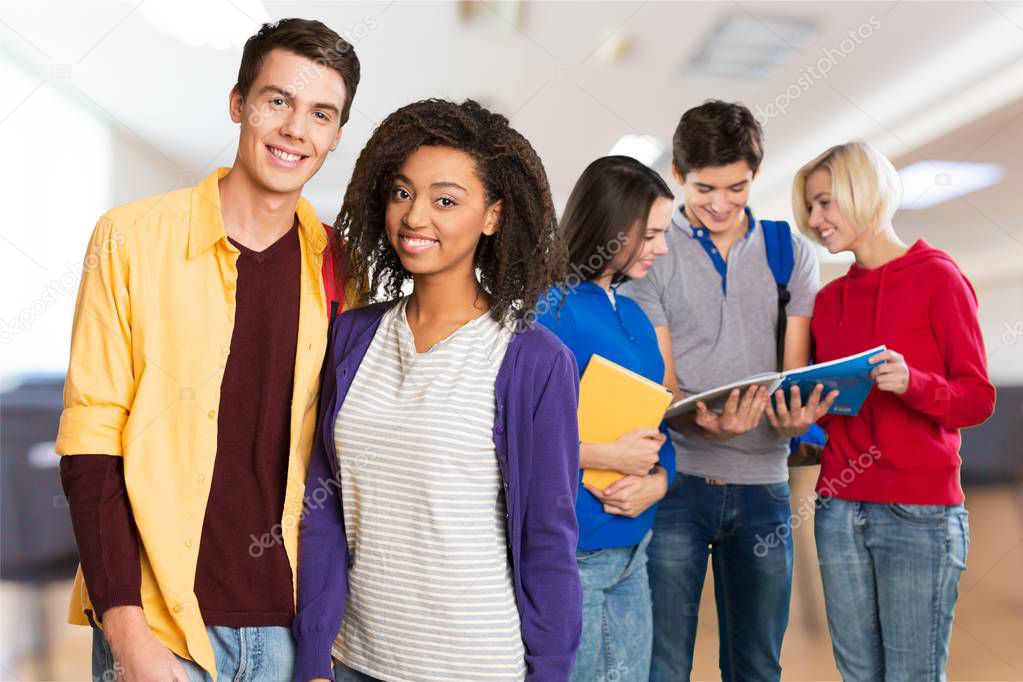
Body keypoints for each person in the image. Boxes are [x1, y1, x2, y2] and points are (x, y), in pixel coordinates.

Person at [55, 19, 360, 680]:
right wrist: (127, 630)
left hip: (290, 632)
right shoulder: (130, 239)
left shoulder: (344, 270)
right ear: (238, 104)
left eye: (320, 113)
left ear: (336, 135)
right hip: (160, 628)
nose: (294, 129)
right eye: (277, 100)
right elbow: (91, 441)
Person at [292, 98, 582, 682]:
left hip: (475, 665)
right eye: (403, 193)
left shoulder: (534, 360)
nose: (414, 216)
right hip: (353, 661)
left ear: (493, 216)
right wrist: (314, 656)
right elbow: (322, 510)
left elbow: (549, 542)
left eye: (445, 200)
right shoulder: (351, 336)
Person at [619, 100, 830, 681]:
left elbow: (788, 374)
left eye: (735, 188)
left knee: (758, 666)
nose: (719, 204)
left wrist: (792, 420)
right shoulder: (653, 252)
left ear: (755, 176)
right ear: (680, 176)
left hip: (765, 491)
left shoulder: (793, 254)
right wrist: (694, 421)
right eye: (704, 187)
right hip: (676, 488)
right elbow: (661, 388)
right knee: (663, 666)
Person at [794, 140, 996, 681]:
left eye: (825, 204)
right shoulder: (831, 300)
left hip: (918, 513)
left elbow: (976, 398)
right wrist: (803, 419)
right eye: (810, 208)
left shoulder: (937, 277)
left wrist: (914, 383)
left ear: (863, 195)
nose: (815, 221)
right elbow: (833, 411)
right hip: (839, 509)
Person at [535, 155, 676, 682]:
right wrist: (605, 457)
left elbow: (659, 424)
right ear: (615, 226)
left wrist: (662, 481)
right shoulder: (547, 311)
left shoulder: (636, 314)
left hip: (634, 549)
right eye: (653, 234)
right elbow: (513, 435)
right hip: (577, 556)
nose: (662, 248)